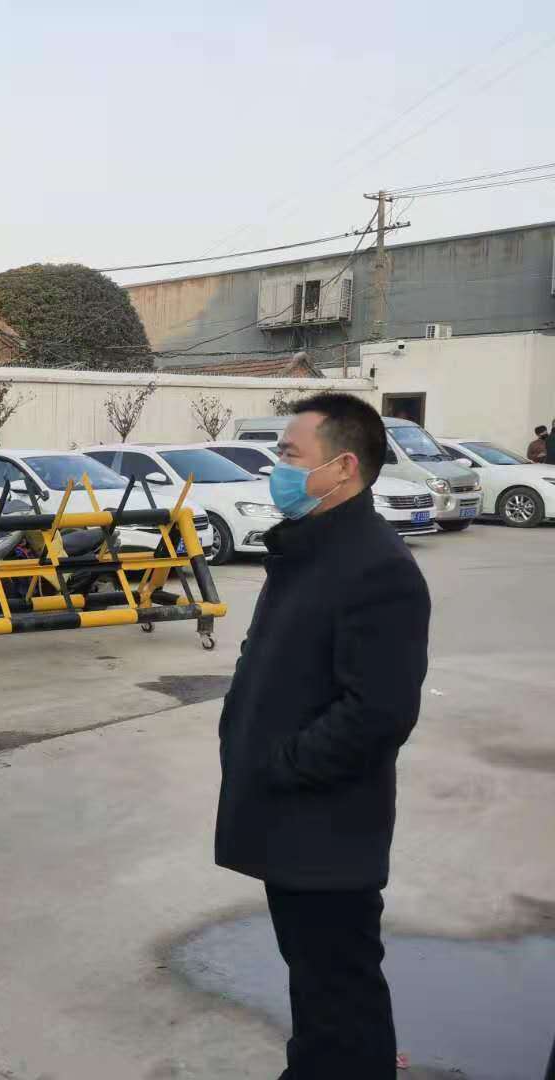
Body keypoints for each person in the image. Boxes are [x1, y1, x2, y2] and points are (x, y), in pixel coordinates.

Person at [215, 391, 430, 1079]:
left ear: (341, 468)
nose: (276, 467)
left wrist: (281, 764)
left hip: (327, 828)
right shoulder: (310, 548)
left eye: (289, 454)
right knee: (314, 982)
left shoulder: (378, 567)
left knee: (341, 990)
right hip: (292, 820)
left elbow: (378, 713)